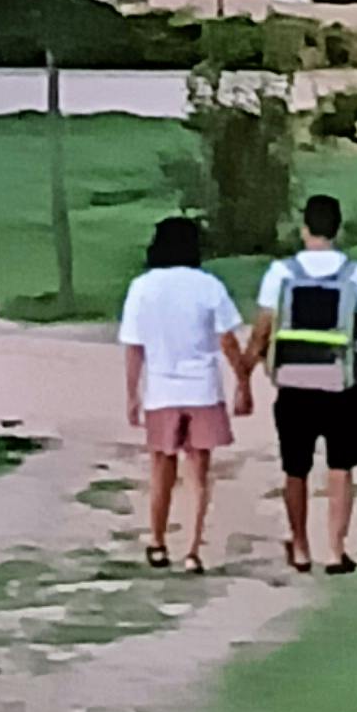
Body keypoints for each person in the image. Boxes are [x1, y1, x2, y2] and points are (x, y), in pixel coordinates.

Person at [244, 192, 357, 574]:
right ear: (338, 229)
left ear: (304, 228)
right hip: (344, 383)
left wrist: (249, 370)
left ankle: (301, 546)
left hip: (294, 382)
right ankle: (336, 550)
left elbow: (262, 329)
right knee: (341, 466)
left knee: (296, 469)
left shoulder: (281, 273)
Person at [116, 213, 251, 572]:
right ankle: (192, 550)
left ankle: (157, 542)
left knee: (161, 468)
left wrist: (132, 393)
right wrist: (243, 380)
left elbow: (134, 346)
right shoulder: (208, 285)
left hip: (161, 389)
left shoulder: (142, 287)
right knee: (198, 472)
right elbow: (227, 340)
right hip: (202, 388)